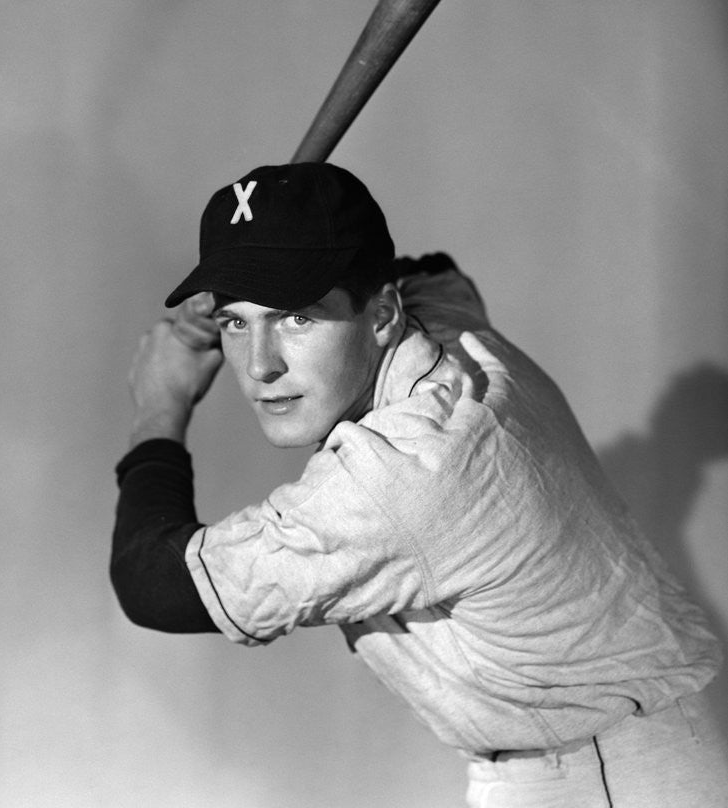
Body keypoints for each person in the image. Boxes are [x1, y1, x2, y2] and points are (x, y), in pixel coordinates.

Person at [111, 161, 728, 807]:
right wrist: (263, 266)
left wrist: (162, 404)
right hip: (610, 754)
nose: (261, 365)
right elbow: (430, 268)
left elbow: (153, 588)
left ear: (381, 316)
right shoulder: (448, 331)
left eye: (296, 318)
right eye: (239, 323)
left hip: (603, 782)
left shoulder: (405, 472)